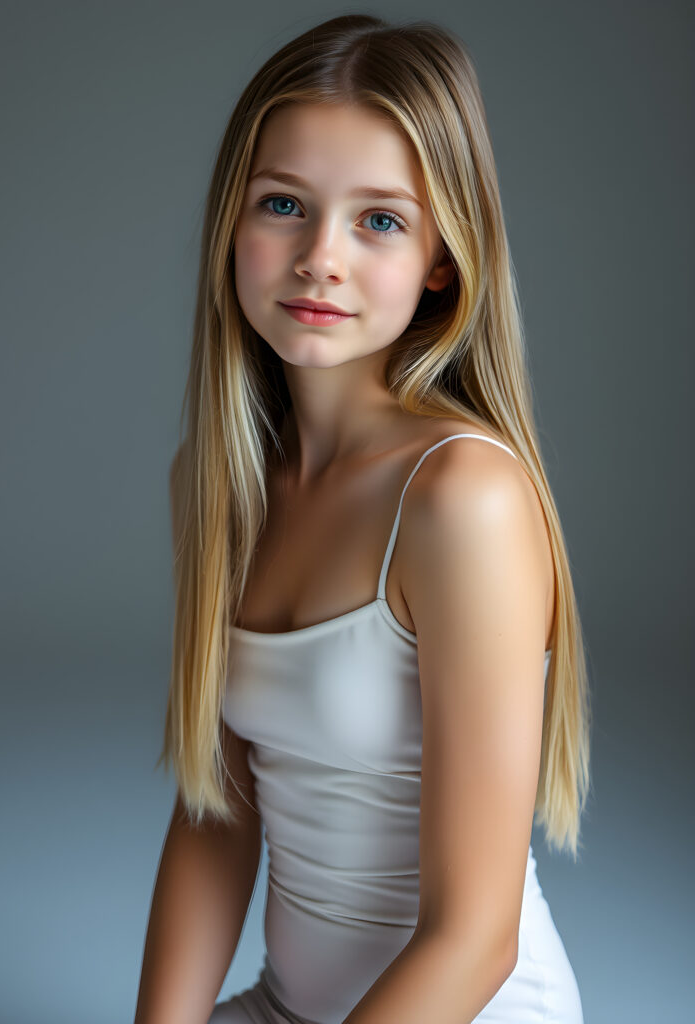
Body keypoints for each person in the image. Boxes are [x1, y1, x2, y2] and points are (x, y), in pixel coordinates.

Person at [134, 14, 592, 1024]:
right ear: (231, 224)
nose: (318, 258)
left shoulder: (460, 500)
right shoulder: (214, 489)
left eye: (379, 219)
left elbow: (475, 936)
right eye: (284, 204)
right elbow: (215, 820)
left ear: (442, 257)